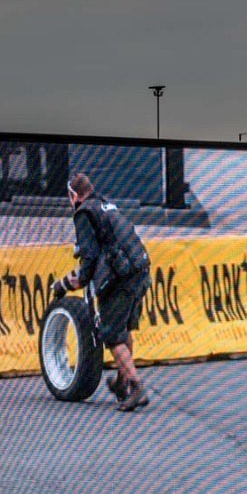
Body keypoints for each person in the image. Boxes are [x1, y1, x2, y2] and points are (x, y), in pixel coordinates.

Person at [52, 173, 152, 411]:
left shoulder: (83, 213)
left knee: (110, 333)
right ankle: (121, 382)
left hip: (122, 277)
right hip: (141, 269)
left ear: (74, 195)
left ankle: (137, 386)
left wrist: (65, 284)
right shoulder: (106, 204)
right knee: (124, 328)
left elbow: (88, 260)